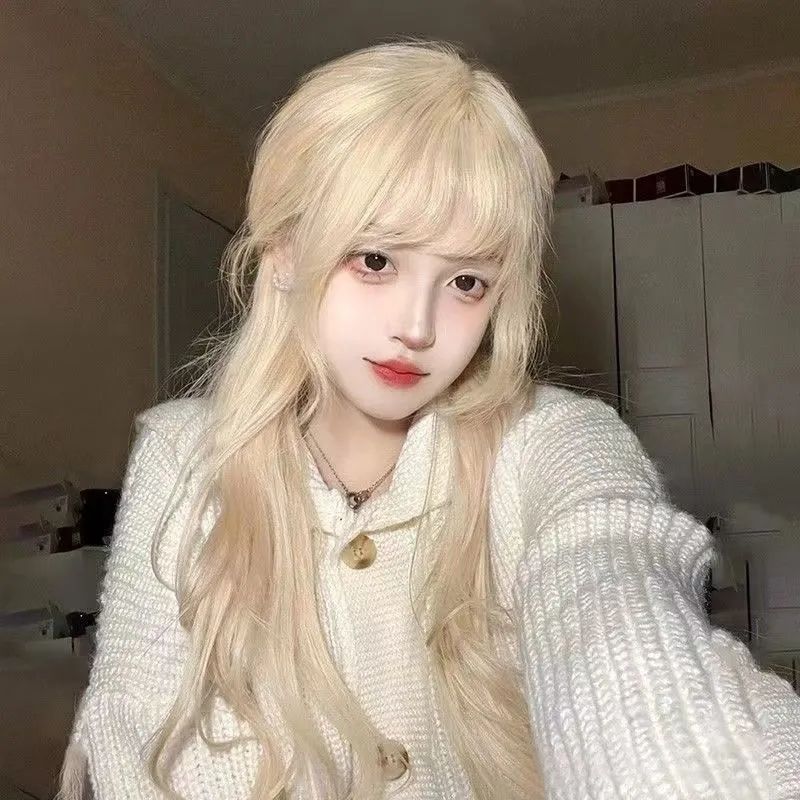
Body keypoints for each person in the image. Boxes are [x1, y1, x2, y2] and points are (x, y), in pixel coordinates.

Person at [58, 40, 799, 800]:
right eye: (376, 261)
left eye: (467, 281)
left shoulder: (551, 439)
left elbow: (614, 593)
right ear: (282, 253)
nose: (417, 327)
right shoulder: (181, 456)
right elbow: (132, 729)